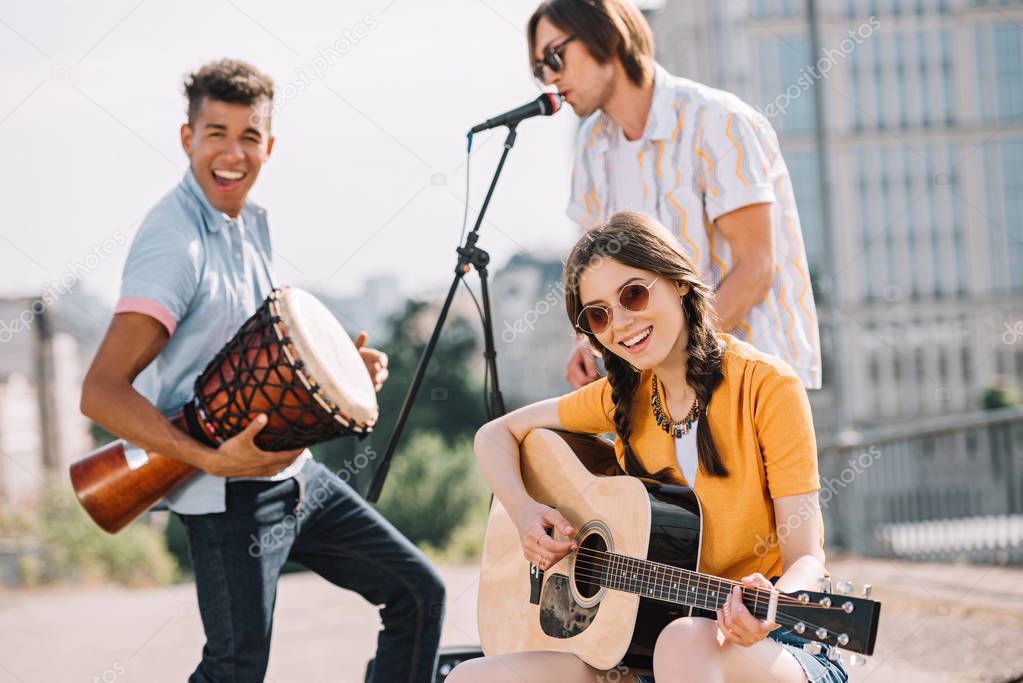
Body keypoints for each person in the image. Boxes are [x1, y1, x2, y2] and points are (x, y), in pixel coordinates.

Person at [79, 59, 444, 683]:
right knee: (236, 668)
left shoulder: (250, 222)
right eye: (215, 132)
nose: (232, 152)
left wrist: (339, 371)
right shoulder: (175, 240)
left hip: (295, 478)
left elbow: (254, 355)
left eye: (249, 136)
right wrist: (210, 459)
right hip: (226, 497)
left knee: (417, 594)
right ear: (186, 137)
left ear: (269, 146)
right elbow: (101, 393)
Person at [448, 212, 846, 683]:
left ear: (677, 281)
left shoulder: (765, 385)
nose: (621, 323)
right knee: (469, 678)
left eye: (633, 294)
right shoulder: (625, 397)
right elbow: (494, 435)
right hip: (644, 650)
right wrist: (525, 514)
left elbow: (806, 558)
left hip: (772, 646)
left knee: (682, 642)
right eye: (598, 314)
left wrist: (771, 606)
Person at [526, 0, 821, 392]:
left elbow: (756, 268)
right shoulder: (590, 147)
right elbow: (598, 281)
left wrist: (669, 360)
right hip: (661, 392)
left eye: (554, 56)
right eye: (538, 68)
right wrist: (588, 342)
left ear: (608, 34)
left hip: (749, 383)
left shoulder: (716, 120)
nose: (549, 78)